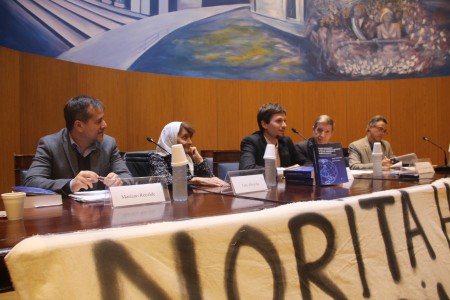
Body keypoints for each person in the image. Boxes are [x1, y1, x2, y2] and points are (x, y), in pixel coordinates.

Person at [24, 95, 132, 195]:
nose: (105, 125)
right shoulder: (50, 145)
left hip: (101, 212)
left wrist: (119, 181)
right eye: (99, 121)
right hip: (64, 213)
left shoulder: (109, 144)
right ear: (79, 125)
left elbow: (128, 178)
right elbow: (31, 182)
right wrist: (71, 184)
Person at [148, 121, 224, 186]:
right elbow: (165, 180)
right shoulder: (157, 157)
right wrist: (194, 179)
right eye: (185, 138)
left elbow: (210, 179)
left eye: (190, 138)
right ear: (171, 139)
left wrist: (200, 160)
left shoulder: (188, 156)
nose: (190, 142)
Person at [239, 103, 303, 170]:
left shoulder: (286, 141)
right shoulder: (251, 142)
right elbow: (246, 168)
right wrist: (281, 171)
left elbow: (304, 162)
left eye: (284, 121)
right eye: (279, 121)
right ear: (264, 124)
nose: (284, 125)